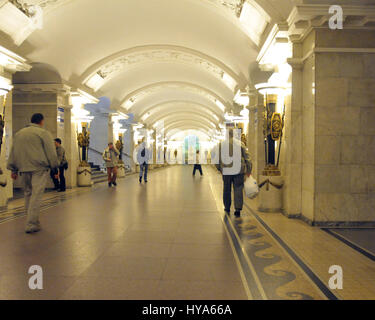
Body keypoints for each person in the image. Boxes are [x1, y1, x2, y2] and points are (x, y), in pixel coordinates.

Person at [7, 113, 59, 234]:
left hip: (23, 168)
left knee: (28, 194)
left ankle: (31, 221)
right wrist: (55, 167)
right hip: (39, 168)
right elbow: (51, 153)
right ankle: (31, 224)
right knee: (36, 195)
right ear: (41, 121)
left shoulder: (19, 134)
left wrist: (13, 169)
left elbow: (13, 151)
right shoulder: (43, 133)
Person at [216, 128, 252, 217]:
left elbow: (216, 159)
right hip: (238, 171)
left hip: (226, 170)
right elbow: (247, 158)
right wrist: (249, 170)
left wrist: (220, 169)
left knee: (226, 189)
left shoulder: (221, 145)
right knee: (238, 188)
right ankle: (237, 209)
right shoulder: (241, 144)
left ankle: (227, 207)